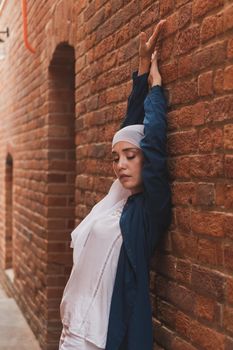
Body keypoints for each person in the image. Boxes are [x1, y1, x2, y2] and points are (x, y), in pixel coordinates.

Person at [59, 19, 172, 350]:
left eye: (130, 157)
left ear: (146, 161)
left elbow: (150, 143)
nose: (121, 164)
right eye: (116, 157)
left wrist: (154, 90)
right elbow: (130, 128)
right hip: (72, 332)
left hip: (101, 340)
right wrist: (140, 68)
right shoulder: (116, 198)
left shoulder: (148, 212)